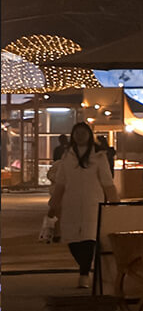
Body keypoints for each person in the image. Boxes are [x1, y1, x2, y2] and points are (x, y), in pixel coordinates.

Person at [46, 121, 117, 287]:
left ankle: (84, 274)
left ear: (89, 135)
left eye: (83, 133)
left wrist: (114, 203)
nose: (80, 136)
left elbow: (107, 182)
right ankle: (84, 266)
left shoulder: (99, 156)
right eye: (77, 133)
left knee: (89, 238)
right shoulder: (67, 156)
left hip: (92, 203)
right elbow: (61, 183)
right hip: (71, 203)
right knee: (72, 239)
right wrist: (53, 205)